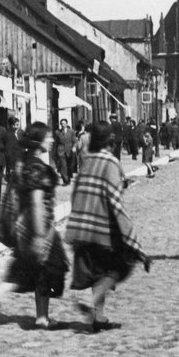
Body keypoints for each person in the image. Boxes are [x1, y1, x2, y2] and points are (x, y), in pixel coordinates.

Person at [65, 122, 151, 330]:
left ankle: (99, 317)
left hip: (81, 228)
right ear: (111, 143)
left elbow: (77, 194)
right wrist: (134, 242)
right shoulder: (111, 163)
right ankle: (90, 301)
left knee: (98, 271)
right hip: (102, 229)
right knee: (121, 265)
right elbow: (114, 202)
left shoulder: (86, 162)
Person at [0, 122, 69, 329]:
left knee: (27, 269)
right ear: (39, 142)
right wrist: (41, 235)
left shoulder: (21, 165)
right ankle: (42, 317)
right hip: (40, 227)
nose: (51, 140)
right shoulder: (39, 169)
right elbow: (37, 202)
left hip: (21, 228)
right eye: (47, 137)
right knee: (50, 269)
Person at [54, 118, 75, 184]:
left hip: (69, 151)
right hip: (61, 151)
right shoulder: (57, 132)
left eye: (64, 123)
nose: (63, 125)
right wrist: (54, 152)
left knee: (69, 166)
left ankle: (68, 178)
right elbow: (56, 143)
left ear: (67, 124)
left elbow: (75, 141)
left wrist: (74, 147)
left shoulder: (71, 131)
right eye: (62, 123)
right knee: (63, 166)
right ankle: (65, 180)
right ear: (60, 124)